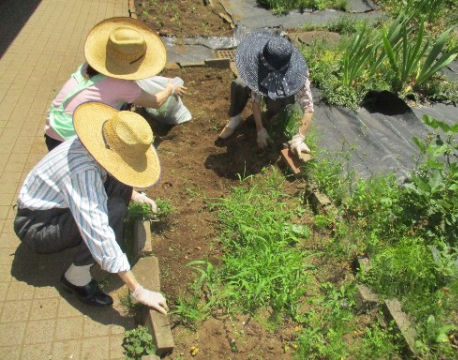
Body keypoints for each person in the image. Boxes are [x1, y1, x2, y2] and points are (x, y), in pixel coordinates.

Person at [14, 102, 168, 314]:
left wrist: (134, 196)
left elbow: (109, 175)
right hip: (38, 226)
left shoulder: (94, 142)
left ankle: (105, 249)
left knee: (121, 185)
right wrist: (138, 290)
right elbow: (97, 229)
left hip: (54, 208)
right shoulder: (82, 171)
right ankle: (76, 278)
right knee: (111, 212)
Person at [44, 16, 187, 152]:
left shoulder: (88, 66)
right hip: (70, 139)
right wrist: (170, 88)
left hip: (53, 127)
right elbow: (156, 102)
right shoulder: (123, 86)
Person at [218, 31, 314, 157]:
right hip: (263, 78)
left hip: (282, 91)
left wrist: (300, 135)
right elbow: (255, 101)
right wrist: (260, 130)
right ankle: (236, 118)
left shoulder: (298, 76)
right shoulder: (261, 64)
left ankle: (274, 115)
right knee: (239, 85)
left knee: (277, 101)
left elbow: (308, 108)